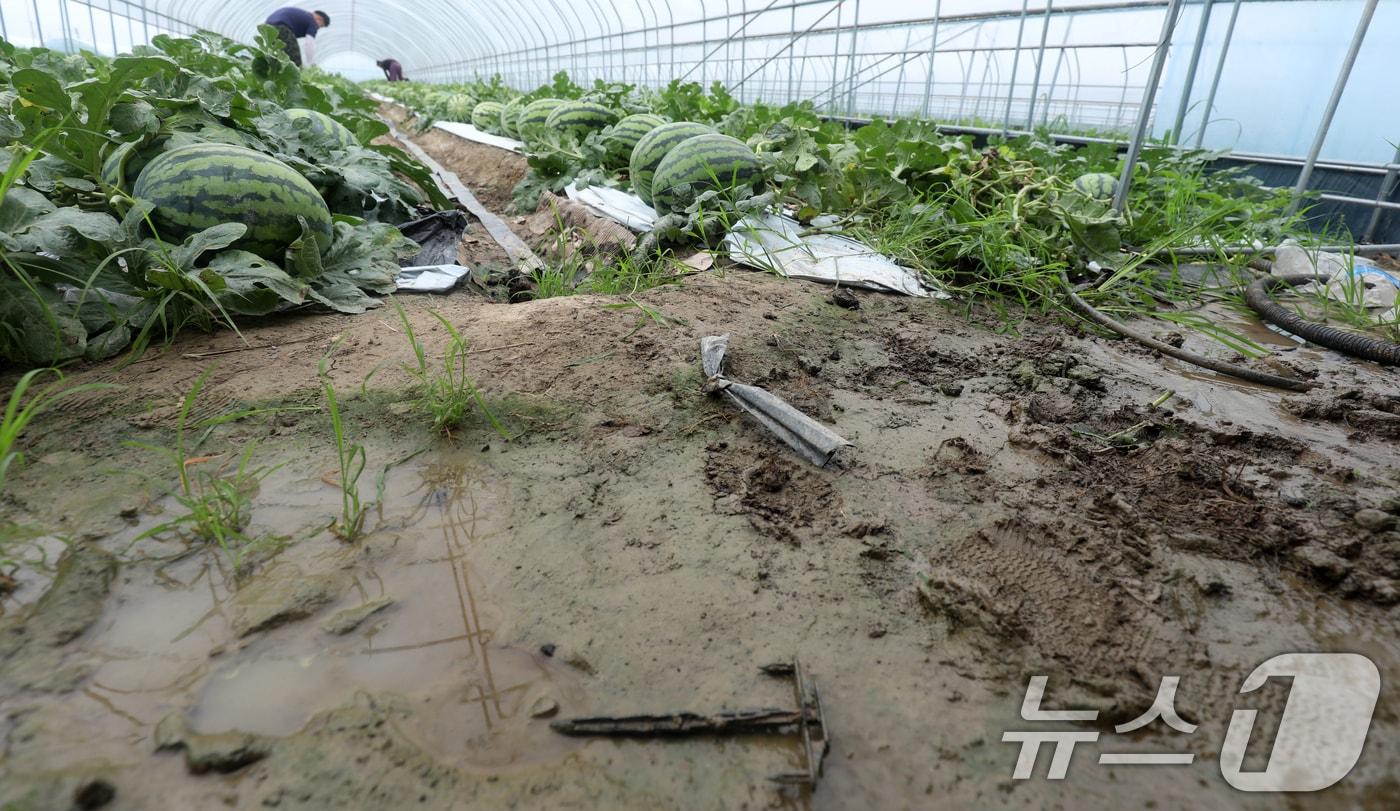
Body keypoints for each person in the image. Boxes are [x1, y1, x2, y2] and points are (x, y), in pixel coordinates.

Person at [264, 7, 329, 67]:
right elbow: (309, 43)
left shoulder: (304, 15)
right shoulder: (312, 21)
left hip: (266, 28)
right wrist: (311, 63)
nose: (318, 28)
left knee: (277, 56)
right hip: (281, 27)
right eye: (321, 26)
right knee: (295, 60)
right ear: (319, 19)